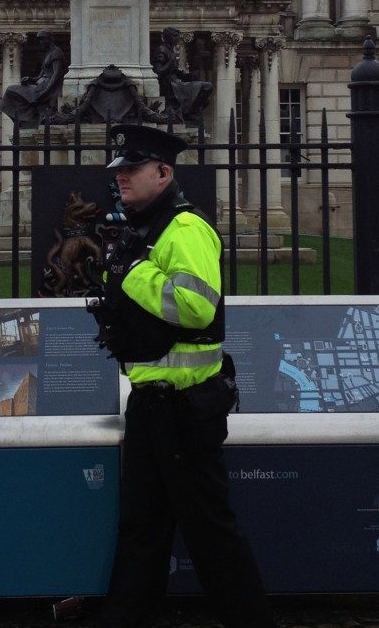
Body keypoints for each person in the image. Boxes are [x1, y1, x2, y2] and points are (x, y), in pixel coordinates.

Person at [91, 123, 275, 628]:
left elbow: (194, 306)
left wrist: (133, 273)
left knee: (210, 532)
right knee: (142, 529)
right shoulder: (144, 228)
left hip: (186, 409)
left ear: (163, 172)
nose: (121, 178)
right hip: (152, 403)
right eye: (119, 170)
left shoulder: (186, 229)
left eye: (132, 169)